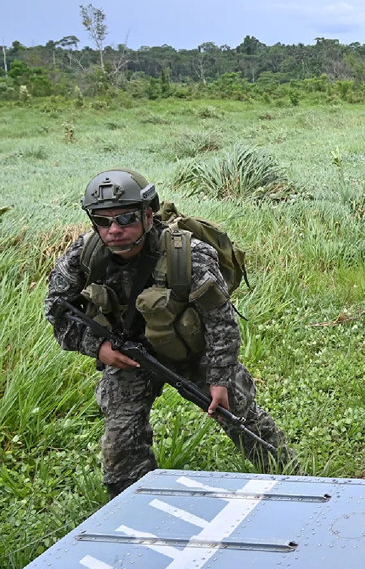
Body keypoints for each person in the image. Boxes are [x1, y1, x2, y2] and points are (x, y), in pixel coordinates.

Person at [45, 169, 297, 499]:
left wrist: (219, 378)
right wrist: (100, 348)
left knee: (242, 416)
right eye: (103, 222)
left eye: (125, 218)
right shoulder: (84, 256)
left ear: (148, 215)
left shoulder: (187, 256)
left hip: (196, 354)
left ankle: (293, 482)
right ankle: (134, 505)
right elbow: (57, 311)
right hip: (131, 358)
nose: (114, 230)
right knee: (121, 441)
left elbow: (221, 322)